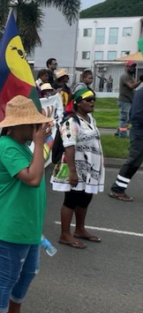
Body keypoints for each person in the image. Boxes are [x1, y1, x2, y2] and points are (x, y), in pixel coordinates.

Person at [0, 96, 51, 313]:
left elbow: (38, 165)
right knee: (7, 276)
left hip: (27, 222)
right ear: (14, 127)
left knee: (29, 271)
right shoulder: (8, 147)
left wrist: (37, 143)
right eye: (32, 124)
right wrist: (38, 142)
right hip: (10, 224)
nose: (37, 129)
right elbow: (33, 179)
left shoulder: (22, 144)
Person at [51, 88, 104, 249]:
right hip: (73, 166)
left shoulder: (90, 119)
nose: (92, 102)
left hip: (90, 167)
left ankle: (80, 230)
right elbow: (69, 147)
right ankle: (65, 234)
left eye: (93, 99)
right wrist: (72, 171)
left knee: (86, 197)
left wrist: (101, 160)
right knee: (72, 199)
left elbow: (95, 141)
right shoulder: (71, 121)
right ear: (78, 103)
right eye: (88, 100)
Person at [109, 87, 143, 201]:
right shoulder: (140, 93)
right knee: (134, 161)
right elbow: (137, 116)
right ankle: (117, 189)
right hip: (140, 133)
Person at [116, 61, 142, 138]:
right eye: (131, 67)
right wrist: (140, 81)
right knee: (124, 119)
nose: (133, 68)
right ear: (126, 67)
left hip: (128, 100)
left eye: (133, 67)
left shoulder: (130, 76)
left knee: (124, 118)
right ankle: (122, 135)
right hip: (125, 100)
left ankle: (118, 132)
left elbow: (133, 86)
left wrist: (138, 80)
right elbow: (132, 86)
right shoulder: (125, 76)